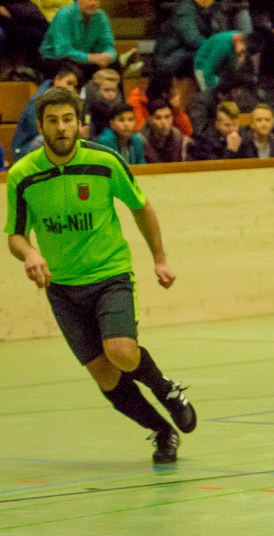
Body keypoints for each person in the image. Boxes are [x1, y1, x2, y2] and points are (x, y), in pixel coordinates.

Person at [5, 87, 197, 465]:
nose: (61, 128)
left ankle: (166, 389)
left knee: (121, 351)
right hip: (62, 289)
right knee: (105, 376)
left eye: (68, 120)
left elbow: (140, 207)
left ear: (80, 124)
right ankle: (162, 432)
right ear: (40, 127)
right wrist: (29, 253)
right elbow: (15, 235)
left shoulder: (105, 161)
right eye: (52, 121)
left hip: (110, 275)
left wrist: (159, 259)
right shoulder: (23, 175)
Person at [11, 62, 79, 161]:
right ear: (57, 79)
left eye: (74, 86)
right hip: (25, 149)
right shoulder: (38, 100)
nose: (71, 88)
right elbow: (39, 131)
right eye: (69, 83)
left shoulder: (64, 100)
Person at [37, 0, 115, 80]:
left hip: (86, 59)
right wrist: (90, 58)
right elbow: (63, 51)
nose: (93, 3)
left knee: (114, 65)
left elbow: (107, 45)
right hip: (57, 59)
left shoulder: (101, 16)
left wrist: (108, 55)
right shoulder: (64, 14)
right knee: (75, 71)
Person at [153, 0, 229, 78]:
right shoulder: (185, 8)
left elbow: (218, 34)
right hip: (170, 58)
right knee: (211, 59)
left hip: (186, 54)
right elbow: (192, 40)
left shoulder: (210, 8)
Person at [188, 99, 254, 159]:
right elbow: (215, 166)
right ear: (217, 125)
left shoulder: (244, 137)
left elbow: (251, 162)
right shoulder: (206, 141)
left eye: (234, 124)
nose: (232, 129)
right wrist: (231, 150)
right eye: (227, 125)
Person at [141, 99, 188, 163]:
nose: (163, 122)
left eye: (167, 117)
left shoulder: (177, 136)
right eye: (158, 118)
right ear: (149, 119)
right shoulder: (140, 140)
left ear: (172, 118)